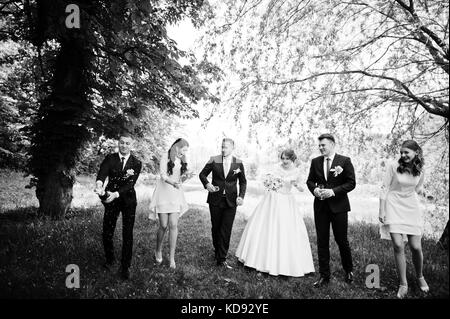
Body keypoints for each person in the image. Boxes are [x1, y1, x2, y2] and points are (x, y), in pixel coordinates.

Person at [235, 149, 315, 277]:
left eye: (287, 159)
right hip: (272, 200)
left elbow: (301, 188)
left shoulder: (296, 171)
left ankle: (285, 263)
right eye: (282, 158)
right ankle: (258, 259)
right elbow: (268, 181)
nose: (284, 161)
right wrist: (269, 183)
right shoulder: (276, 168)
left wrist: (297, 185)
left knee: (285, 230)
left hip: (287, 201)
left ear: (292, 159)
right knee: (266, 227)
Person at [379, 140, 430, 298]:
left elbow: (418, 187)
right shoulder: (393, 166)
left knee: (416, 247)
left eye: (406, 152)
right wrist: (381, 210)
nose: (403, 155)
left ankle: (420, 276)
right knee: (398, 245)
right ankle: (403, 283)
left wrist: (425, 194)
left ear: (416, 152)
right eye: (401, 152)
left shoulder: (420, 169)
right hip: (393, 205)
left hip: (411, 207)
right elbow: (385, 187)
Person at [306, 133, 355, 287]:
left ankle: (348, 270)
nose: (321, 148)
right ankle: (324, 275)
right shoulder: (315, 161)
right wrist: (314, 190)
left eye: (323, 145)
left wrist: (333, 191)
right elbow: (309, 181)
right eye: (319, 145)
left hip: (339, 207)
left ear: (332, 144)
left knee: (342, 240)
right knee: (322, 241)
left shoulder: (344, 161)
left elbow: (351, 183)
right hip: (320, 207)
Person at [94, 132, 142, 280]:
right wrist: (99, 185)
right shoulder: (110, 158)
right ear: (118, 143)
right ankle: (110, 259)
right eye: (122, 142)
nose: (124, 145)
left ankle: (125, 266)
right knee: (107, 231)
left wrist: (115, 194)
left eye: (127, 143)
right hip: (110, 200)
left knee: (127, 233)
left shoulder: (136, 163)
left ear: (131, 145)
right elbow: (102, 174)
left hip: (128, 201)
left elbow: (130, 184)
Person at [199, 138, 247, 269]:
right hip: (215, 199)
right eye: (222, 147)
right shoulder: (214, 159)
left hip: (231, 201)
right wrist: (207, 184)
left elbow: (243, 181)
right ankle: (217, 251)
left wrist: (241, 196)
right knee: (216, 228)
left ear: (232, 148)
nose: (223, 149)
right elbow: (202, 174)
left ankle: (222, 258)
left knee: (226, 229)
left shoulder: (238, 163)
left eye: (226, 147)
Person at [149, 138, 194, 269]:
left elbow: (180, 180)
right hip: (163, 192)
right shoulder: (165, 156)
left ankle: (172, 258)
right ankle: (158, 250)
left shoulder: (183, 159)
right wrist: (173, 183)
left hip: (175, 194)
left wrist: (187, 176)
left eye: (186, 150)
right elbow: (163, 175)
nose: (185, 152)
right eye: (184, 149)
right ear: (177, 147)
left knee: (173, 224)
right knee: (163, 225)